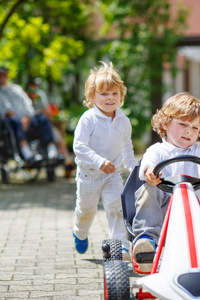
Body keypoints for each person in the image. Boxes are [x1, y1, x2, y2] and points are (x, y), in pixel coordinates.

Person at [131, 92, 200, 272]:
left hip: (194, 208)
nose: (188, 131)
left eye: (194, 128)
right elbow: (148, 164)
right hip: (161, 209)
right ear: (166, 123)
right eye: (183, 124)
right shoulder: (157, 150)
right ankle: (147, 243)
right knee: (148, 189)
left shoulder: (198, 151)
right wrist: (150, 172)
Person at [72, 62, 137, 258]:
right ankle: (79, 232)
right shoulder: (88, 119)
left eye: (114, 93)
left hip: (113, 175)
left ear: (121, 96)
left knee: (116, 208)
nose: (110, 98)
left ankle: (120, 245)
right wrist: (99, 161)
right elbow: (79, 147)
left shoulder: (123, 121)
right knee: (86, 211)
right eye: (104, 94)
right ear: (92, 97)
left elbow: (127, 147)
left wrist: (134, 168)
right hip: (88, 175)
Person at [0, 66, 58, 165]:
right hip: (6, 123)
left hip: (26, 120)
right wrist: (3, 112)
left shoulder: (16, 89)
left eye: (4, 75)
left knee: (43, 118)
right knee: (14, 120)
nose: (2, 77)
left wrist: (28, 117)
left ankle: (51, 150)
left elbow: (28, 104)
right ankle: (26, 152)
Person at [25, 81, 75, 177]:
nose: (33, 92)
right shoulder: (24, 102)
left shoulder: (39, 100)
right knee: (55, 134)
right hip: (35, 128)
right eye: (31, 90)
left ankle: (66, 160)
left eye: (35, 90)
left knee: (59, 136)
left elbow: (49, 114)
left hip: (46, 126)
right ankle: (65, 160)